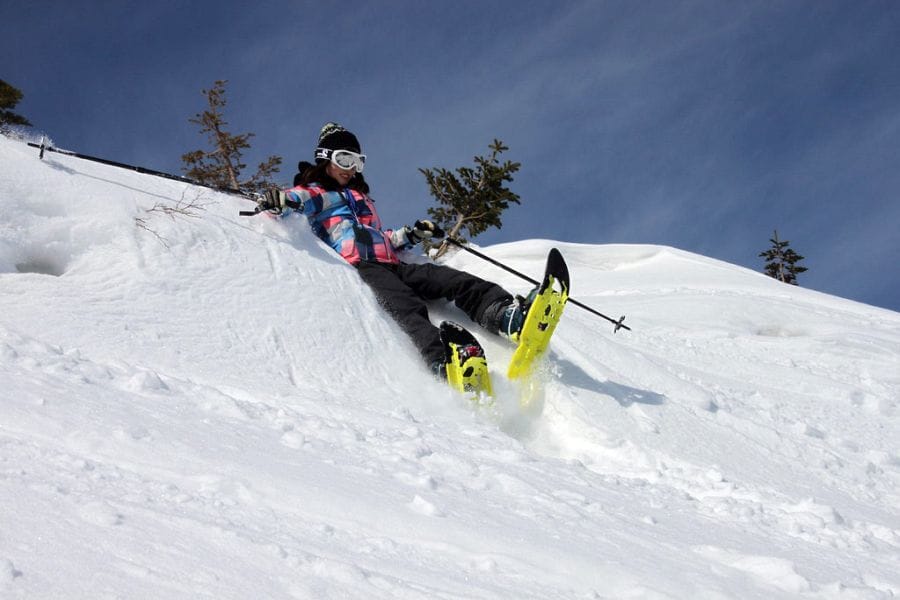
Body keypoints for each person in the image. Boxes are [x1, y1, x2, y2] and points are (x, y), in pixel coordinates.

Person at [258, 122, 533, 378]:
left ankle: (501, 314)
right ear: (325, 157)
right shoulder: (317, 193)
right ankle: (443, 360)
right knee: (405, 305)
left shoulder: (361, 199)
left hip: (392, 262)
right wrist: (278, 201)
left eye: (358, 162)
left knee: (450, 279)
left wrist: (413, 234)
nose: (351, 168)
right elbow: (293, 201)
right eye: (344, 160)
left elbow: (382, 236)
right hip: (362, 265)